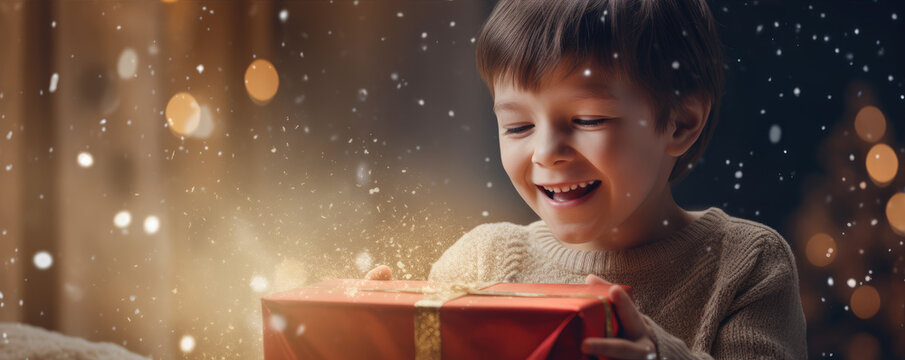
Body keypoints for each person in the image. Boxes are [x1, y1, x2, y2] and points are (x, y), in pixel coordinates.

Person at [368, 0, 807, 358]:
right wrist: (373, 341)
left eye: (588, 119)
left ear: (680, 122)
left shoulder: (747, 265)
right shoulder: (480, 263)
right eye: (518, 127)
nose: (545, 153)